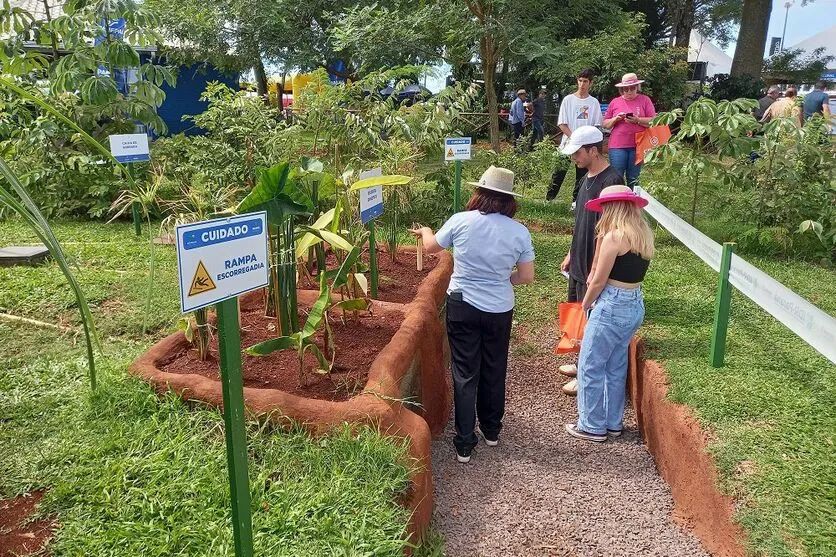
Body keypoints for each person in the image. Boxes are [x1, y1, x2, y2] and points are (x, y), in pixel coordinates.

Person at [411, 166, 535, 463]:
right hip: (499, 309)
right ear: (509, 200)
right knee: (494, 368)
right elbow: (527, 276)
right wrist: (504, 280)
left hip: (463, 305)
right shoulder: (519, 231)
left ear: (479, 192)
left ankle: (465, 442)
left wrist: (426, 231)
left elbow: (431, 248)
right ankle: (491, 430)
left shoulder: (460, 221)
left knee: (465, 372)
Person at [565, 185, 654, 443]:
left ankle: (591, 425)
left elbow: (598, 281)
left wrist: (585, 304)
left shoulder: (614, 237)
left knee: (590, 365)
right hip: (634, 303)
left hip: (611, 304)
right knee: (616, 365)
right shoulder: (643, 234)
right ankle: (613, 423)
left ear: (612, 207)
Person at [557, 126, 623, 391]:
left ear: (593, 151)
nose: (574, 158)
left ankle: (586, 371)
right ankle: (578, 357)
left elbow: (611, 229)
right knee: (576, 310)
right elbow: (582, 221)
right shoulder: (586, 179)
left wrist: (597, 266)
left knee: (592, 318)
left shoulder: (613, 182)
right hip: (579, 260)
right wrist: (571, 252)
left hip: (595, 264)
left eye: (578, 153)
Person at [550, 68, 603, 203]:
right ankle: (549, 199)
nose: (582, 84)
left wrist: (586, 142)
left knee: (582, 175)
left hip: (585, 146)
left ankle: (576, 202)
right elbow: (562, 123)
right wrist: (574, 138)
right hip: (568, 143)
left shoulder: (593, 102)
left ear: (590, 83)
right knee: (559, 172)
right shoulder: (568, 100)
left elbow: (596, 126)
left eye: (585, 81)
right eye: (580, 80)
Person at [602, 73, 656, 188]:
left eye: (632, 88)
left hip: (638, 144)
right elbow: (605, 124)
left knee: (633, 178)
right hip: (617, 145)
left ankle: (632, 203)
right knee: (617, 177)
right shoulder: (615, 102)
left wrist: (637, 120)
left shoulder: (645, 100)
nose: (629, 91)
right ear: (622, 89)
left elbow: (653, 121)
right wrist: (616, 119)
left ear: (637, 87)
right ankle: (617, 202)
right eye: (626, 89)